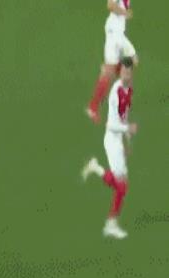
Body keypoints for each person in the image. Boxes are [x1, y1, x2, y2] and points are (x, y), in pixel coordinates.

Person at [82, 57, 137, 239]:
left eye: (129, 72)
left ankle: (95, 167)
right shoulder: (116, 92)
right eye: (124, 72)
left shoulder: (129, 89)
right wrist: (127, 130)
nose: (127, 75)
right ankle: (110, 225)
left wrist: (127, 140)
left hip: (118, 140)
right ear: (120, 72)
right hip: (112, 141)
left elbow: (124, 116)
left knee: (122, 185)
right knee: (122, 187)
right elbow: (111, 125)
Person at [86, 0, 138, 123]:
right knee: (111, 72)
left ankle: (121, 103)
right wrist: (125, 13)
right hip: (114, 33)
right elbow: (110, 5)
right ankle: (92, 108)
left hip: (119, 34)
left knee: (132, 62)